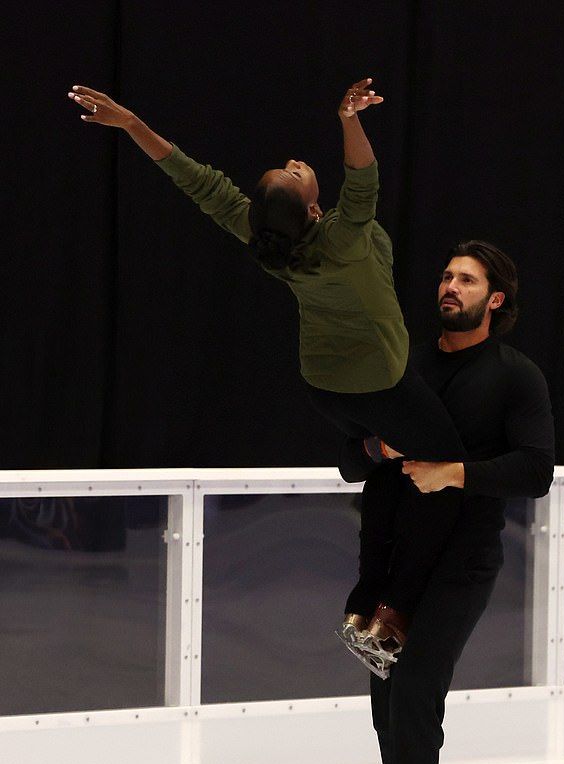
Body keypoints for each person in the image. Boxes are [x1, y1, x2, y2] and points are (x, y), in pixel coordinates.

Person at [67, 78, 470, 638]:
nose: (294, 161)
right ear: (310, 208)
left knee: (387, 469)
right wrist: (348, 118)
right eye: (293, 172)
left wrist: (132, 124)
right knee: (450, 469)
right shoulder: (342, 239)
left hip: (323, 384)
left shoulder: (265, 238)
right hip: (378, 380)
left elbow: (196, 181)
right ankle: (396, 611)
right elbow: (363, 179)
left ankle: (363, 595)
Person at [337, 240, 555, 764]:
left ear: (495, 299)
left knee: (415, 687)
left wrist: (454, 471)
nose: (449, 285)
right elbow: (351, 455)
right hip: (390, 566)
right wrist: (379, 449)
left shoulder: (516, 377)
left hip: (462, 562)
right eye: (446, 275)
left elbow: (535, 469)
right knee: (386, 706)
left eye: (466, 278)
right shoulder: (404, 364)